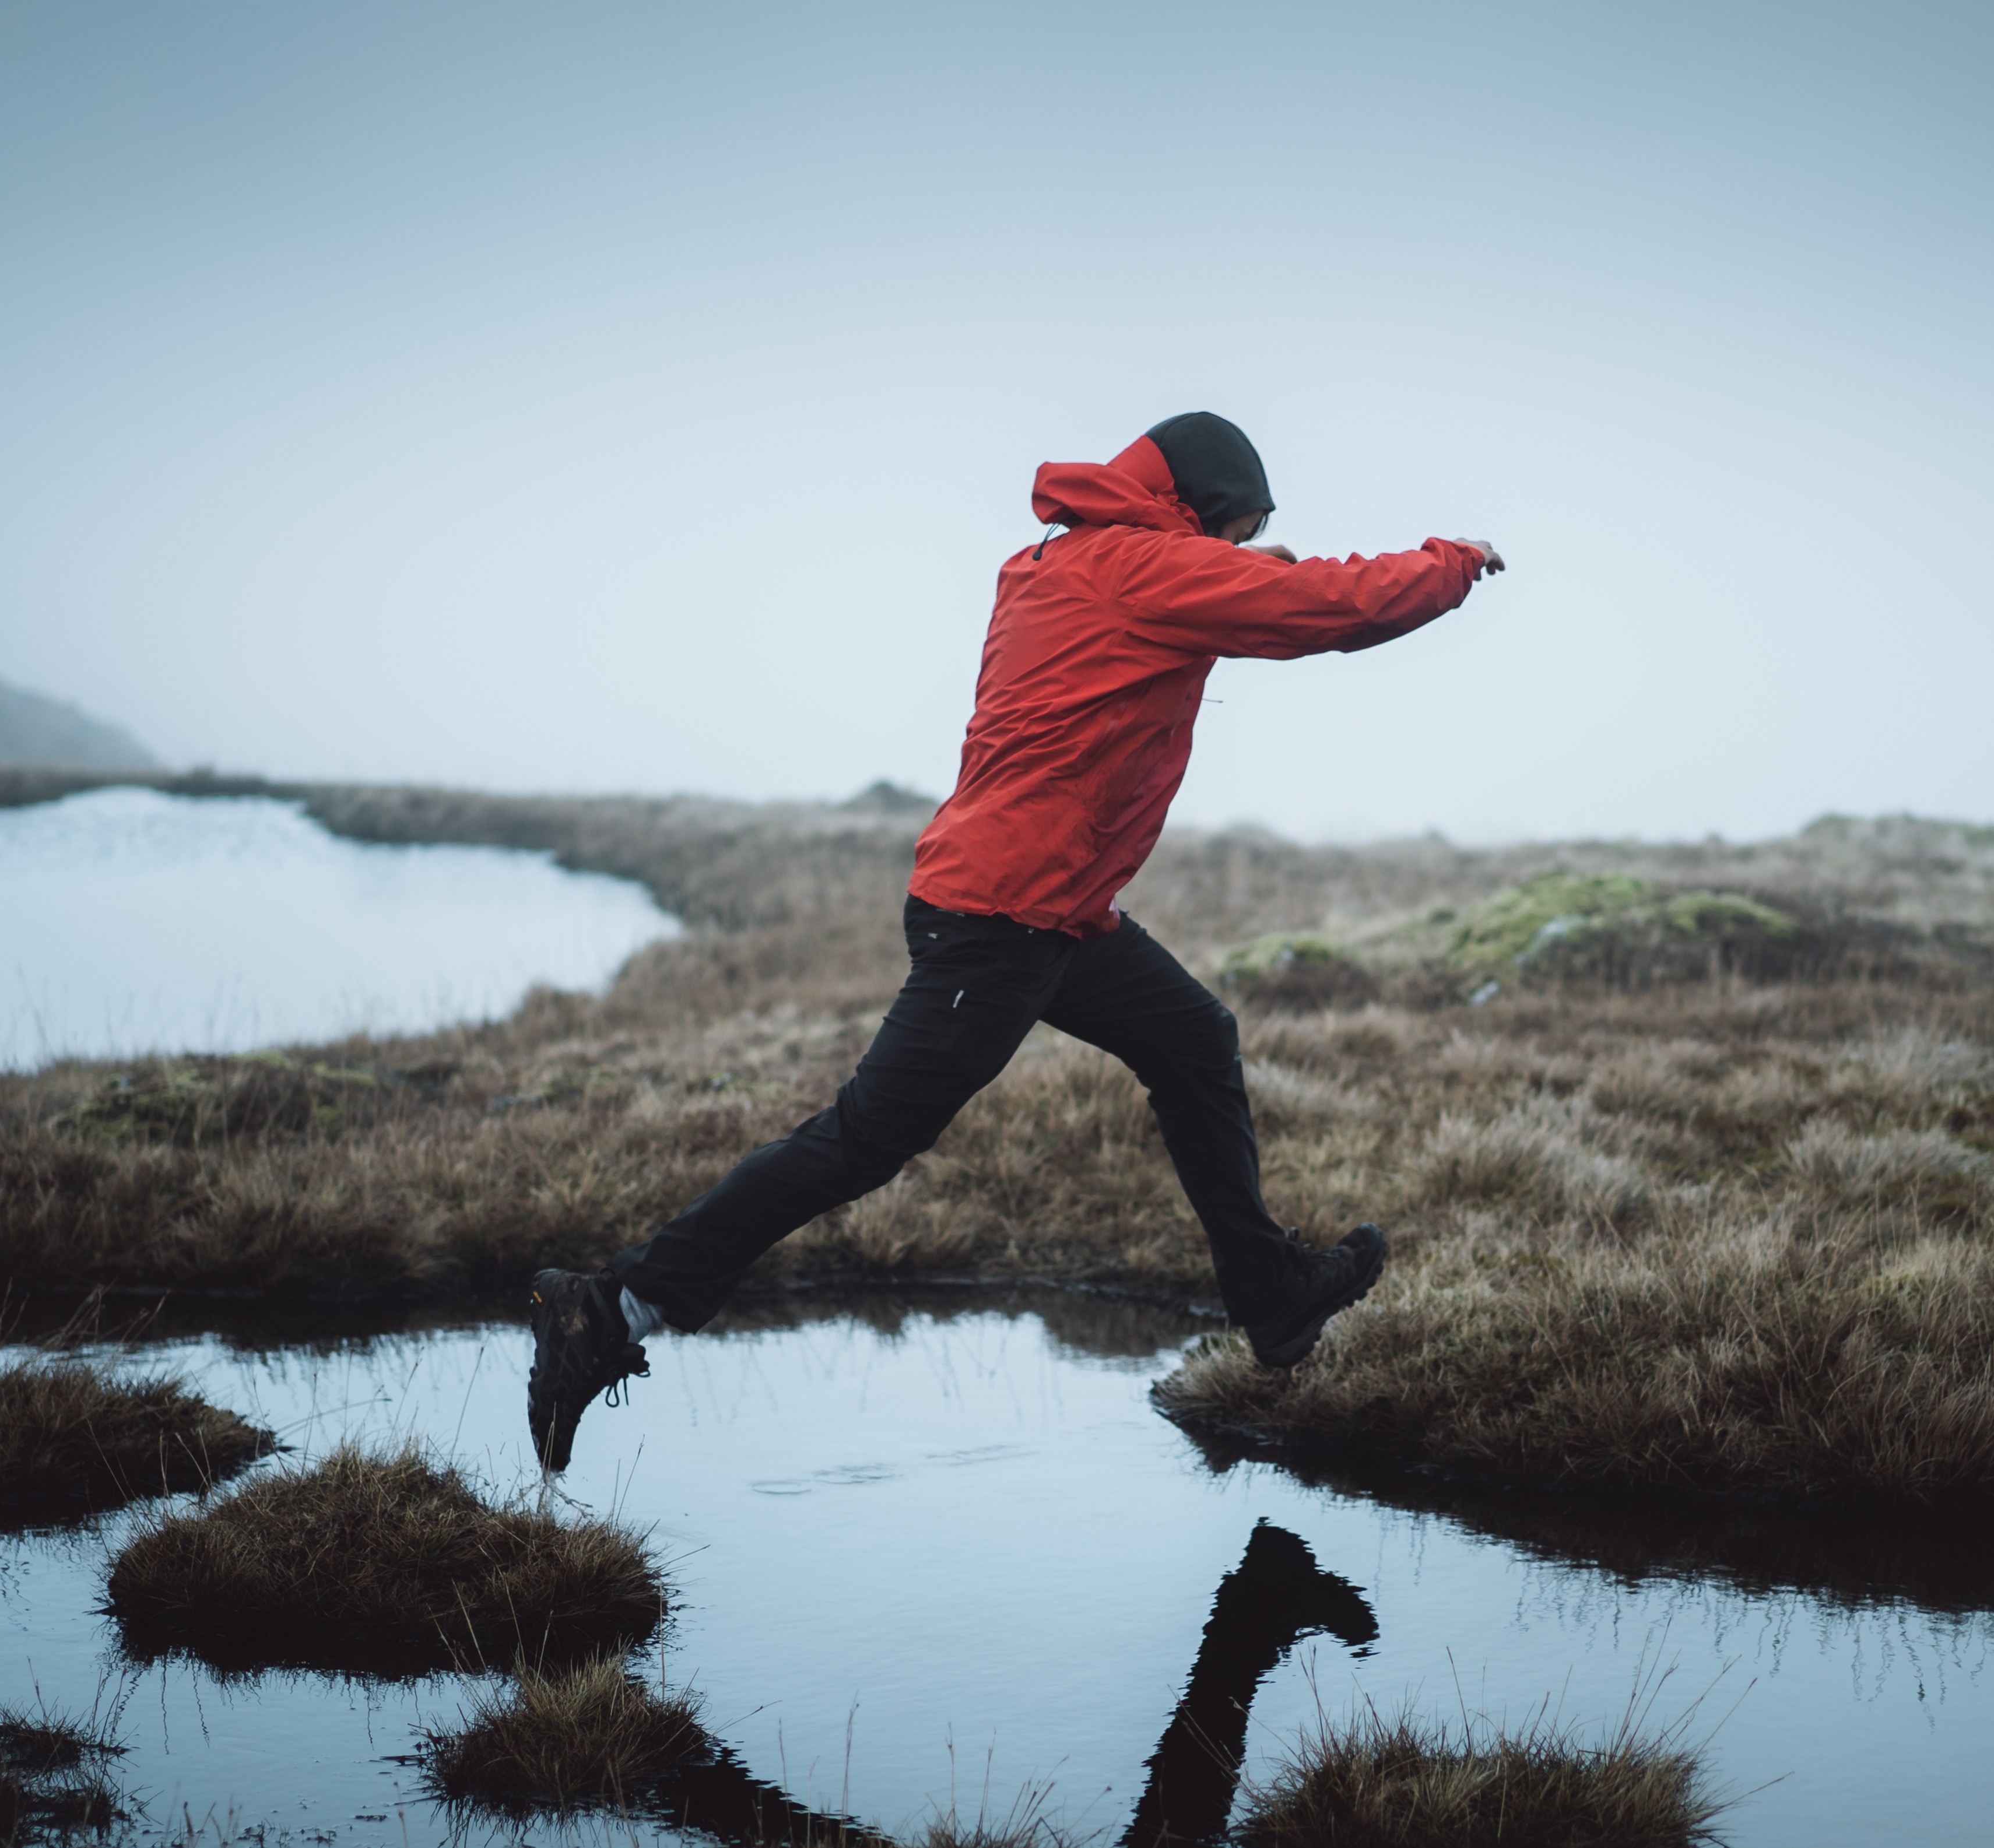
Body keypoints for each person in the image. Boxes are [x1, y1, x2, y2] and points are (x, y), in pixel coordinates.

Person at [528, 412, 1505, 1471]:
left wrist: (1231, 562)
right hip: (999, 920)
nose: (1233, 557)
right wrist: (1451, 564)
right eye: (1236, 534)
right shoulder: (1147, 573)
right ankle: (613, 1307)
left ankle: (1271, 1297)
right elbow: (1326, 607)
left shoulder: (1060, 560)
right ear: (1201, 510)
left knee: (1193, 1039)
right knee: (864, 1138)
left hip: (1056, 912)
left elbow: (1189, 581)